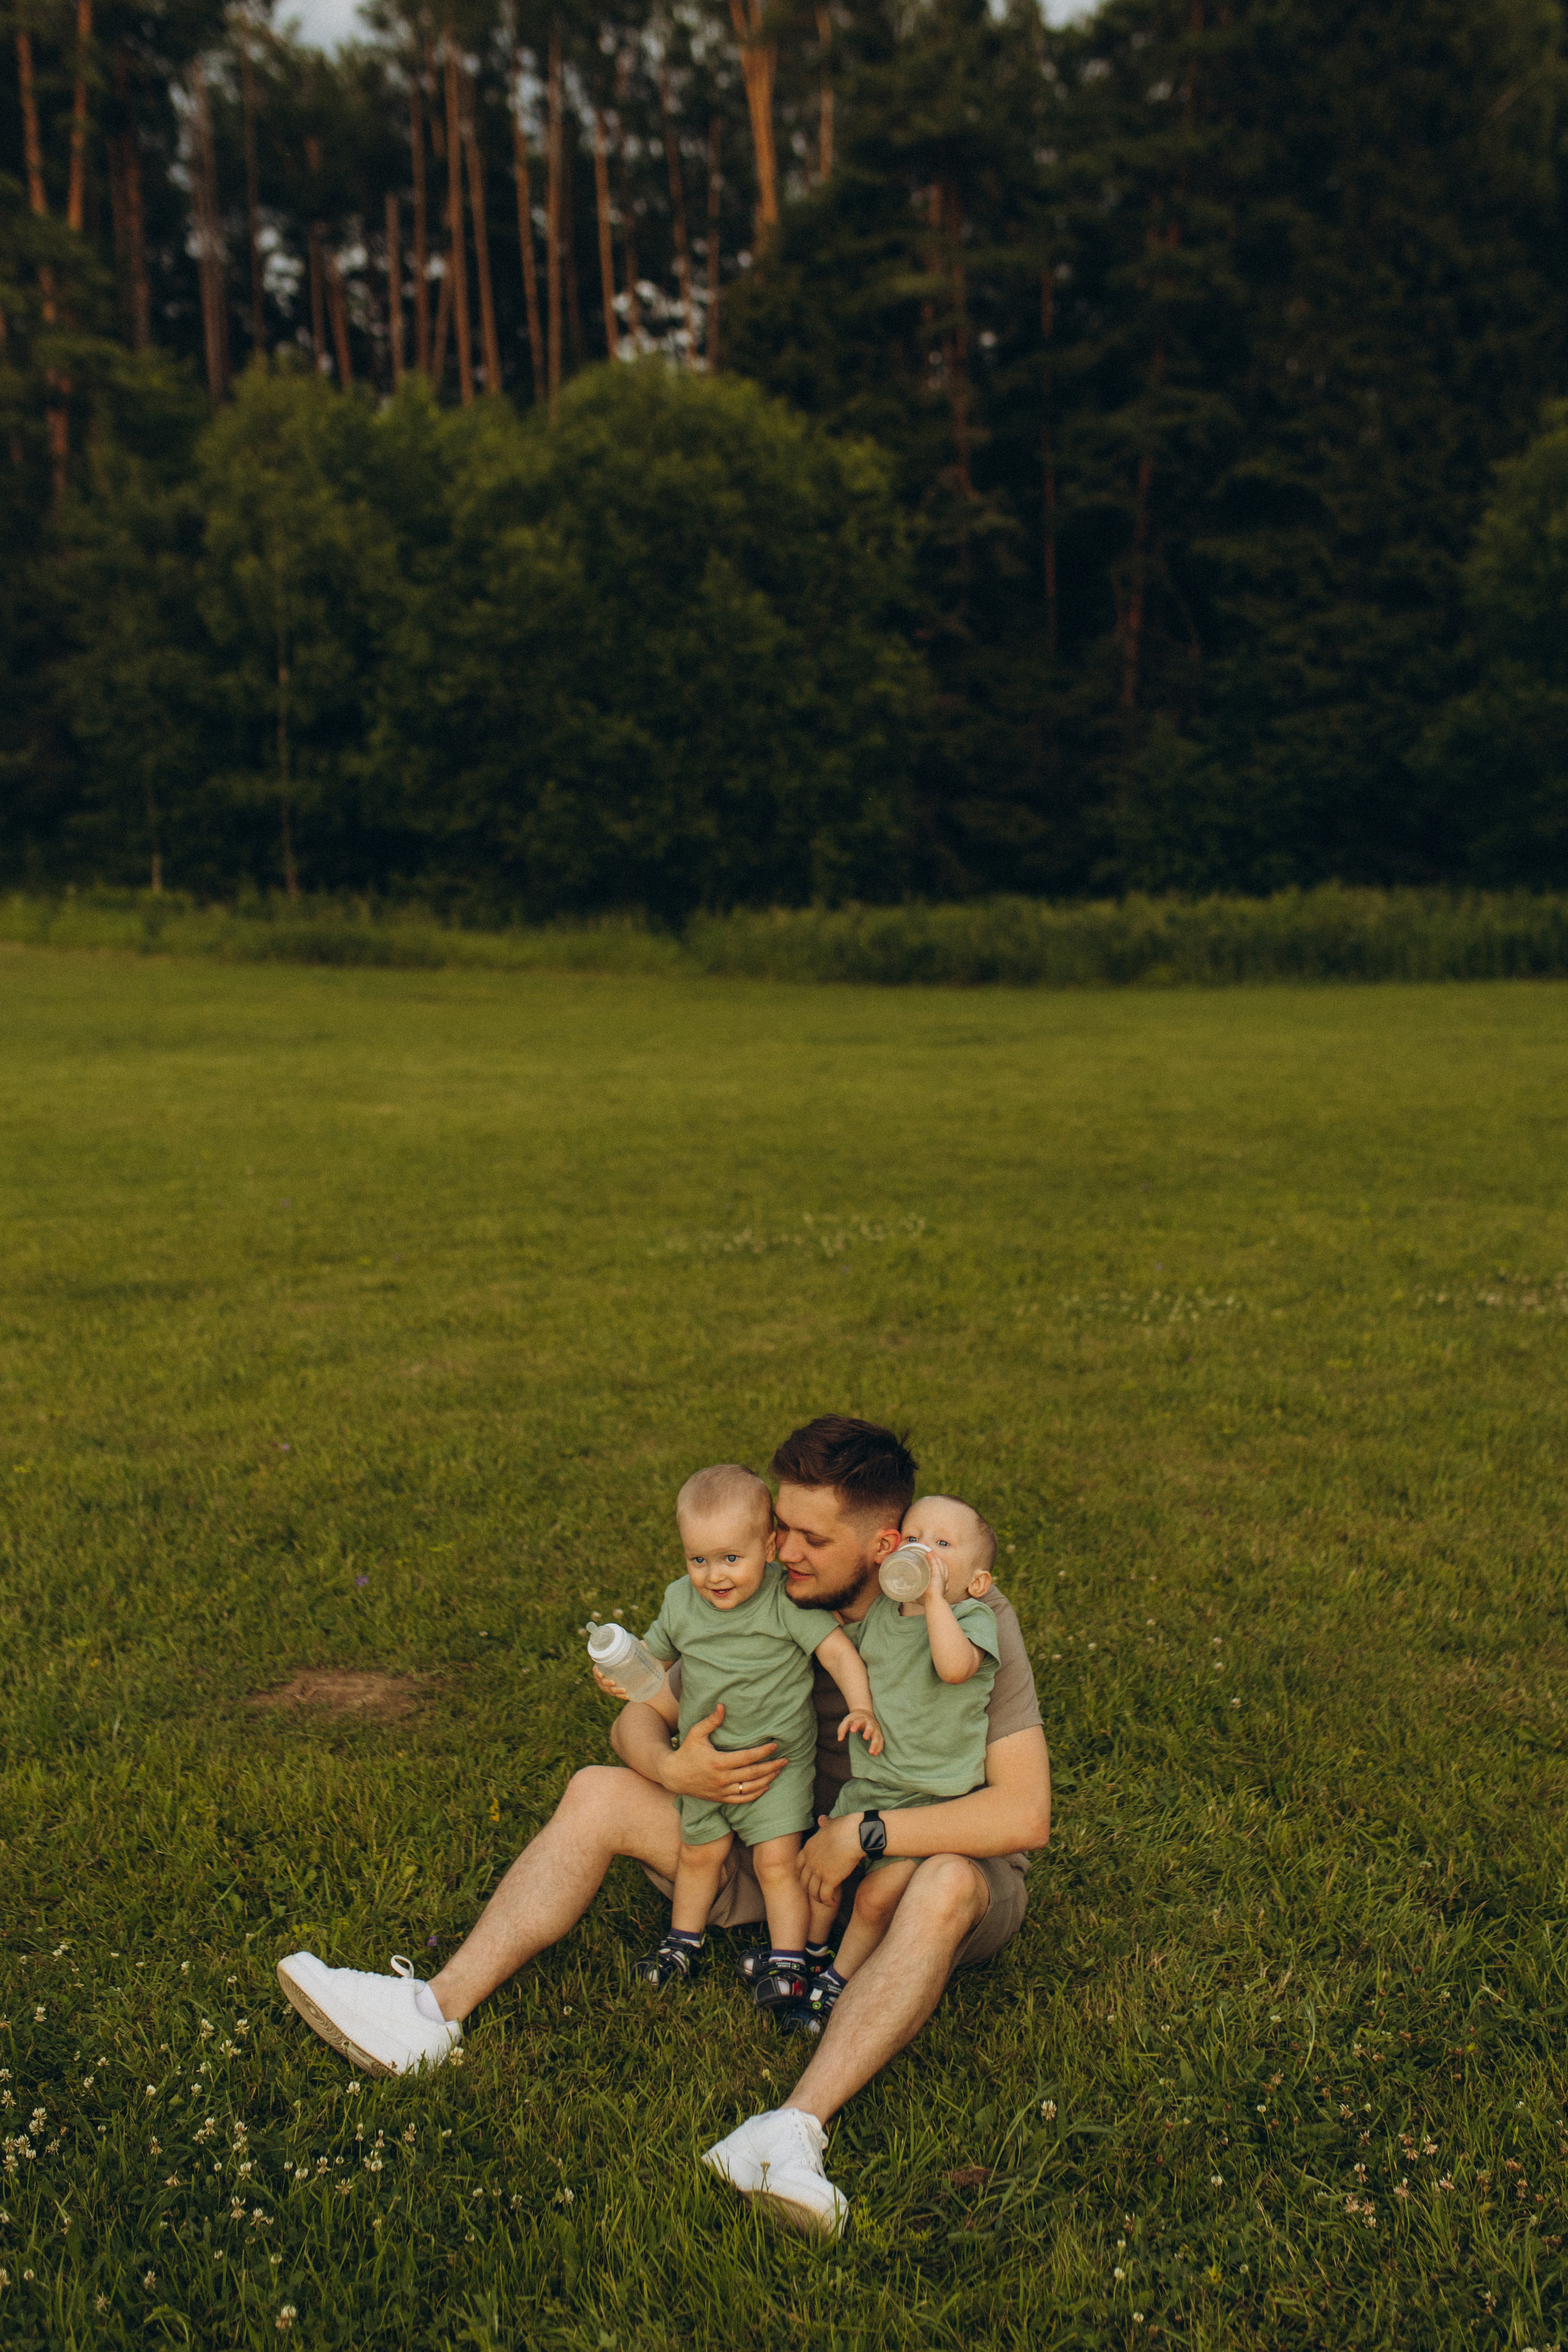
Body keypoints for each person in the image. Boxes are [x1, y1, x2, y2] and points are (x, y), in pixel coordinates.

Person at [275, 1416, 1052, 2241]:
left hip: (921, 1866)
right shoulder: (762, 1590)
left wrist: (864, 1833)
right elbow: (640, 1719)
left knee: (948, 1882)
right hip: (776, 1843)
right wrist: (674, 1770)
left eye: (811, 1539)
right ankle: (430, 2012)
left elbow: (1023, 1813)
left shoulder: (961, 1606)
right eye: (780, 1525)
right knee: (597, 1792)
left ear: (883, 1546)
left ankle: (790, 2133)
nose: (783, 1550)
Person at [612, 1461, 881, 2021]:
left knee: (776, 1862)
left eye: (731, 1558)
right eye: (698, 1560)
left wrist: (861, 1706)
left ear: (769, 1547)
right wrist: (623, 1668)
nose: (714, 1576)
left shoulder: (784, 1601)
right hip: (705, 1759)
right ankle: (681, 1943)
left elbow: (837, 1652)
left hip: (776, 1765)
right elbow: (655, 1655)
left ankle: (789, 1961)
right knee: (698, 1853)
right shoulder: (682, 1601)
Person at [799, 1493, 1000, 2027]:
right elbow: (844, 1649)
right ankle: (806, 1956)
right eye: (913, 1538)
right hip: (872, 1784)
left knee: (874, 1898)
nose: (923, 1551)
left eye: (943, 1543)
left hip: (931, 1798)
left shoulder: (974, 1618)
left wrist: (934, 1600)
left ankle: (838, 1980)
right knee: (819, 1873)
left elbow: (954, 1668)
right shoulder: (884, 1616)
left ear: (977, 1581)